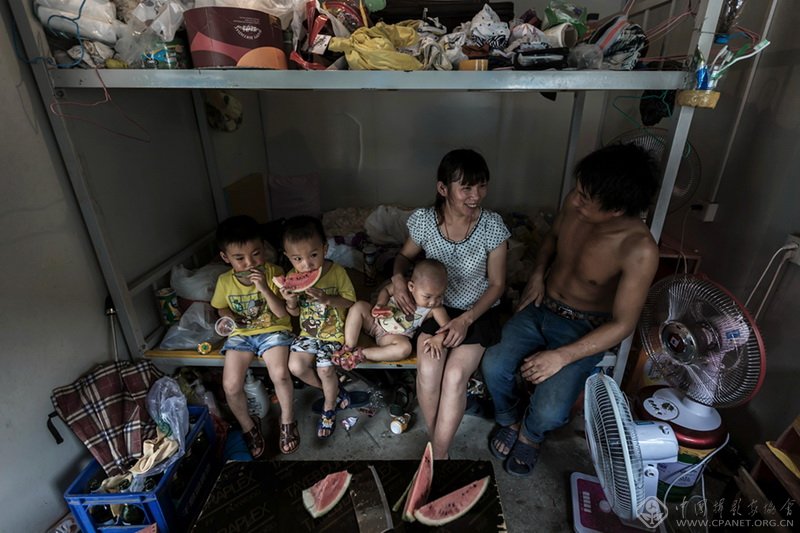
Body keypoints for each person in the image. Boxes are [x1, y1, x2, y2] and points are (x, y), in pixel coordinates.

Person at [481, 143, 660, 477]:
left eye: (585, 198)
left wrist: (562, 356)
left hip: (584, 328)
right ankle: (509, 418)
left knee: (551, 411)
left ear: (616, 210)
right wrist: (537, 274)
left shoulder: (639, 249)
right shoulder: (575, 203)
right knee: (493, 364)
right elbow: (552, 239)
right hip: (541, 305)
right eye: (577, 191)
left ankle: (531, 434)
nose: (574, 200)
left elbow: (623, 324)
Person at [392, 149, 510, 460]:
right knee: (430, 368)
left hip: (478, 311)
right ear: (443, 188)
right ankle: (438, 449)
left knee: (456, 375)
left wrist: (466, 320)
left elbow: (497, 284)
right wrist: (398, 278)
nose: (476, 195)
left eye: (482, 186)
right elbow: (403, 257)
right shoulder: (425, 221)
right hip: (437, 306)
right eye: (466, 188)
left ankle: (437, 454)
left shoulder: (492, 225)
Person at [210, 215, 297, 458]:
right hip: (241, 335)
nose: (250, 263)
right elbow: (220, 307)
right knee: (230, 385)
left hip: (274, 330)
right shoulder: (224, 282)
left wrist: (264, 288)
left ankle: (287, 420)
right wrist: (229, 317)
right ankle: (249, 426)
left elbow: (282, 313)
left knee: (280, 374)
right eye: (239, 258)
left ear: (264, 248)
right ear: (225, 257)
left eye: (256, 253)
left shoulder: (274, 272)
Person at [282, 215, 357, 439]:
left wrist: (328, 299)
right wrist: (291, 301)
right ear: (288, 257)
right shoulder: (292, 277)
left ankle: (329, 407)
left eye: (313, 255)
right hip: (308, 333)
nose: (306, 265)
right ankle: (335, 390)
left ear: (325, 248)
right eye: (297, 259)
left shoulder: (337, 272)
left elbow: (350, 302)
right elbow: (294, 313)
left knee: (325, 369)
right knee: (296, 367)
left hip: (334, 334)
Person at [333, 259, 450, 369]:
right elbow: (386, 290)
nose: (433, 302)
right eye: (427, 296)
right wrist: (380, 304)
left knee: (405, 349)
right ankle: (348, 346)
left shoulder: (435, 308)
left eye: (440, 296)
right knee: (359, 306)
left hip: (393, 337)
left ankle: (361, 354)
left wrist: (439, 338)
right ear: (411, 287)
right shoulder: (402, 287)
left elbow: (447, 326)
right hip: (374, 322)